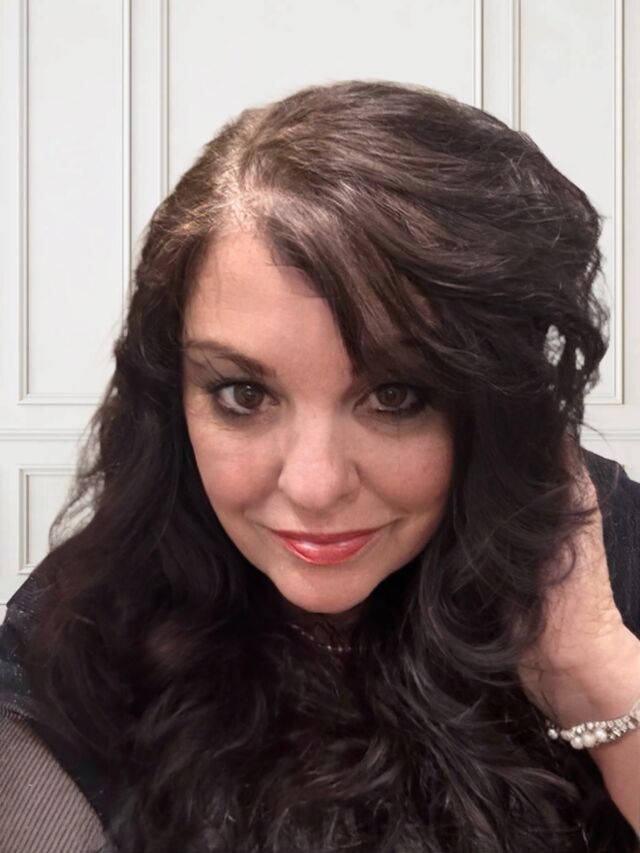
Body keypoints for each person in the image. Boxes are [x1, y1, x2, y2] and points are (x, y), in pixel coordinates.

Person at [0, 79, 639, 853]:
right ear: (173, 395)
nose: (314, 485)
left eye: (395, 396)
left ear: (488, 396)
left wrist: (593, 670)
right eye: (243, 393)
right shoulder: (88, 627)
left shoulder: (609, 560)